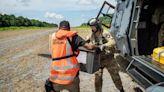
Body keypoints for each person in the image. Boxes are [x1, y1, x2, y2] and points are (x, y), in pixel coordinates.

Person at [45, 20, 97, 92]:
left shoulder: (53, 37)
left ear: (59, 28)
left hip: (56, 77)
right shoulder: (72, 36)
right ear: (69, 28)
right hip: (71, 77)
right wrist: (96, 46)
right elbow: (89, 47)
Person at [87, 18, 124, 92]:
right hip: (98, 60)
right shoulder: (91, 35)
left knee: (115, 76)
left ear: (97, 26)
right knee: (97, 79)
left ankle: (121, 90)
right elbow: (87, 42)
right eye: (91, 26)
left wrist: (104, 45)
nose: (92, 28)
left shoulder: (105, 33)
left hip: (109, 59)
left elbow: (113, 41)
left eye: (93, 26)